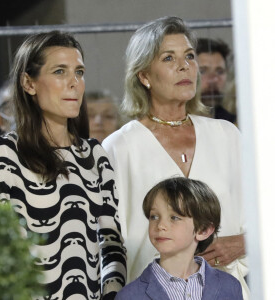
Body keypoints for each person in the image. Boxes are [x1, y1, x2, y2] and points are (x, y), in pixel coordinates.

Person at [102, 16, 249, 299]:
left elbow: (265, 215)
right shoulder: (119, 147)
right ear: (144, 76)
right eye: (168, 58)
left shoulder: (227, 135)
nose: (185, 66)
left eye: (189, 56)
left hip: (227, 290)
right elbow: (109, 243)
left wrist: (246, 242)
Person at [0, 31, 126, 300]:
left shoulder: (95, 154)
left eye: (79, 72)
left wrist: (112, 293)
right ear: (29, 83)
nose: (74, 83)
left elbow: (112, 244)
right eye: (59, 71)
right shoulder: (2, 153)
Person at [116, 177, 243, 300]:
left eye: (174, 217)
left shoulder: (230, 286)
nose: (160, 225)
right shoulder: (128, 296)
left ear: (203, 230)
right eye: (154, 216)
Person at [196, 38, 236, 123]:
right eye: (202, 71)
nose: (213, 79)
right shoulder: (173, 123)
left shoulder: (234, 124)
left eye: (220, 71)